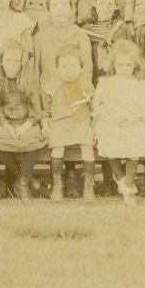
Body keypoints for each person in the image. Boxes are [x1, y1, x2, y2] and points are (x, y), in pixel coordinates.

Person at [93, 39, 145, 205]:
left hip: (134, 121)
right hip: (112, 121)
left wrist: (134, 117)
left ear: (135, 65)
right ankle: (121, 180)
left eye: (128, 65)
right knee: (108, 141)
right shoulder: (105, 83)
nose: (124, 69)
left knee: (136, 139)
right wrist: (112, 117)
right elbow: (99, 105)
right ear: (113, 65)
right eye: (120, 65)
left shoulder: (141, 84)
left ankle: (128, 183)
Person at [0, 39, 45, 201]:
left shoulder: (29, 81)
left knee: (34, 140)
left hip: (26, 122)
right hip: (4, 123)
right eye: (8, 61)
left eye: (17, 61)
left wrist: (25, 126)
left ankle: (23, 181)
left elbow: (35, 109)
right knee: (0, 141)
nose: (12, 65)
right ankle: (20, 177)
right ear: (1, 62)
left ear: (23, 63)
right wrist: (7, 127)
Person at [42, 44, 97, 202]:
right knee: (57, 148)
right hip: (59, 123)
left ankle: (88, 187)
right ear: (57, 68)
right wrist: (45, 125)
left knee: (87, 146)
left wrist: (94, 127)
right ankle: (58, 186)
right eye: (64, 66)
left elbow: (94, 110)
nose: (68, 70)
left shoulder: (86, 85)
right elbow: (45, 111)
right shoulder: (51, 86)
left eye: (73, 66)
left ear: (81, 68)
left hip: (81, 121)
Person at [33, 0, 92, 92]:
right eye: (55, 5)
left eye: (64, 5)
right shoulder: (40, 38)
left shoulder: (80, 36)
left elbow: (86, 72)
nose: (59, 10)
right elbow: (36, 73)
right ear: (49, 10)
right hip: (47, 95)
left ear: (71, 9)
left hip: (74, 94)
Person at [79, 0, 131, 84]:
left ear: (116, 6)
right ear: (94, 3)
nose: (105, 8)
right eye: (101, 3)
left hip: (116, 77)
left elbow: (129, 54)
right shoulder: (86, 30)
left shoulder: (121, 28)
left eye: (110, 4)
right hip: (93, 77)